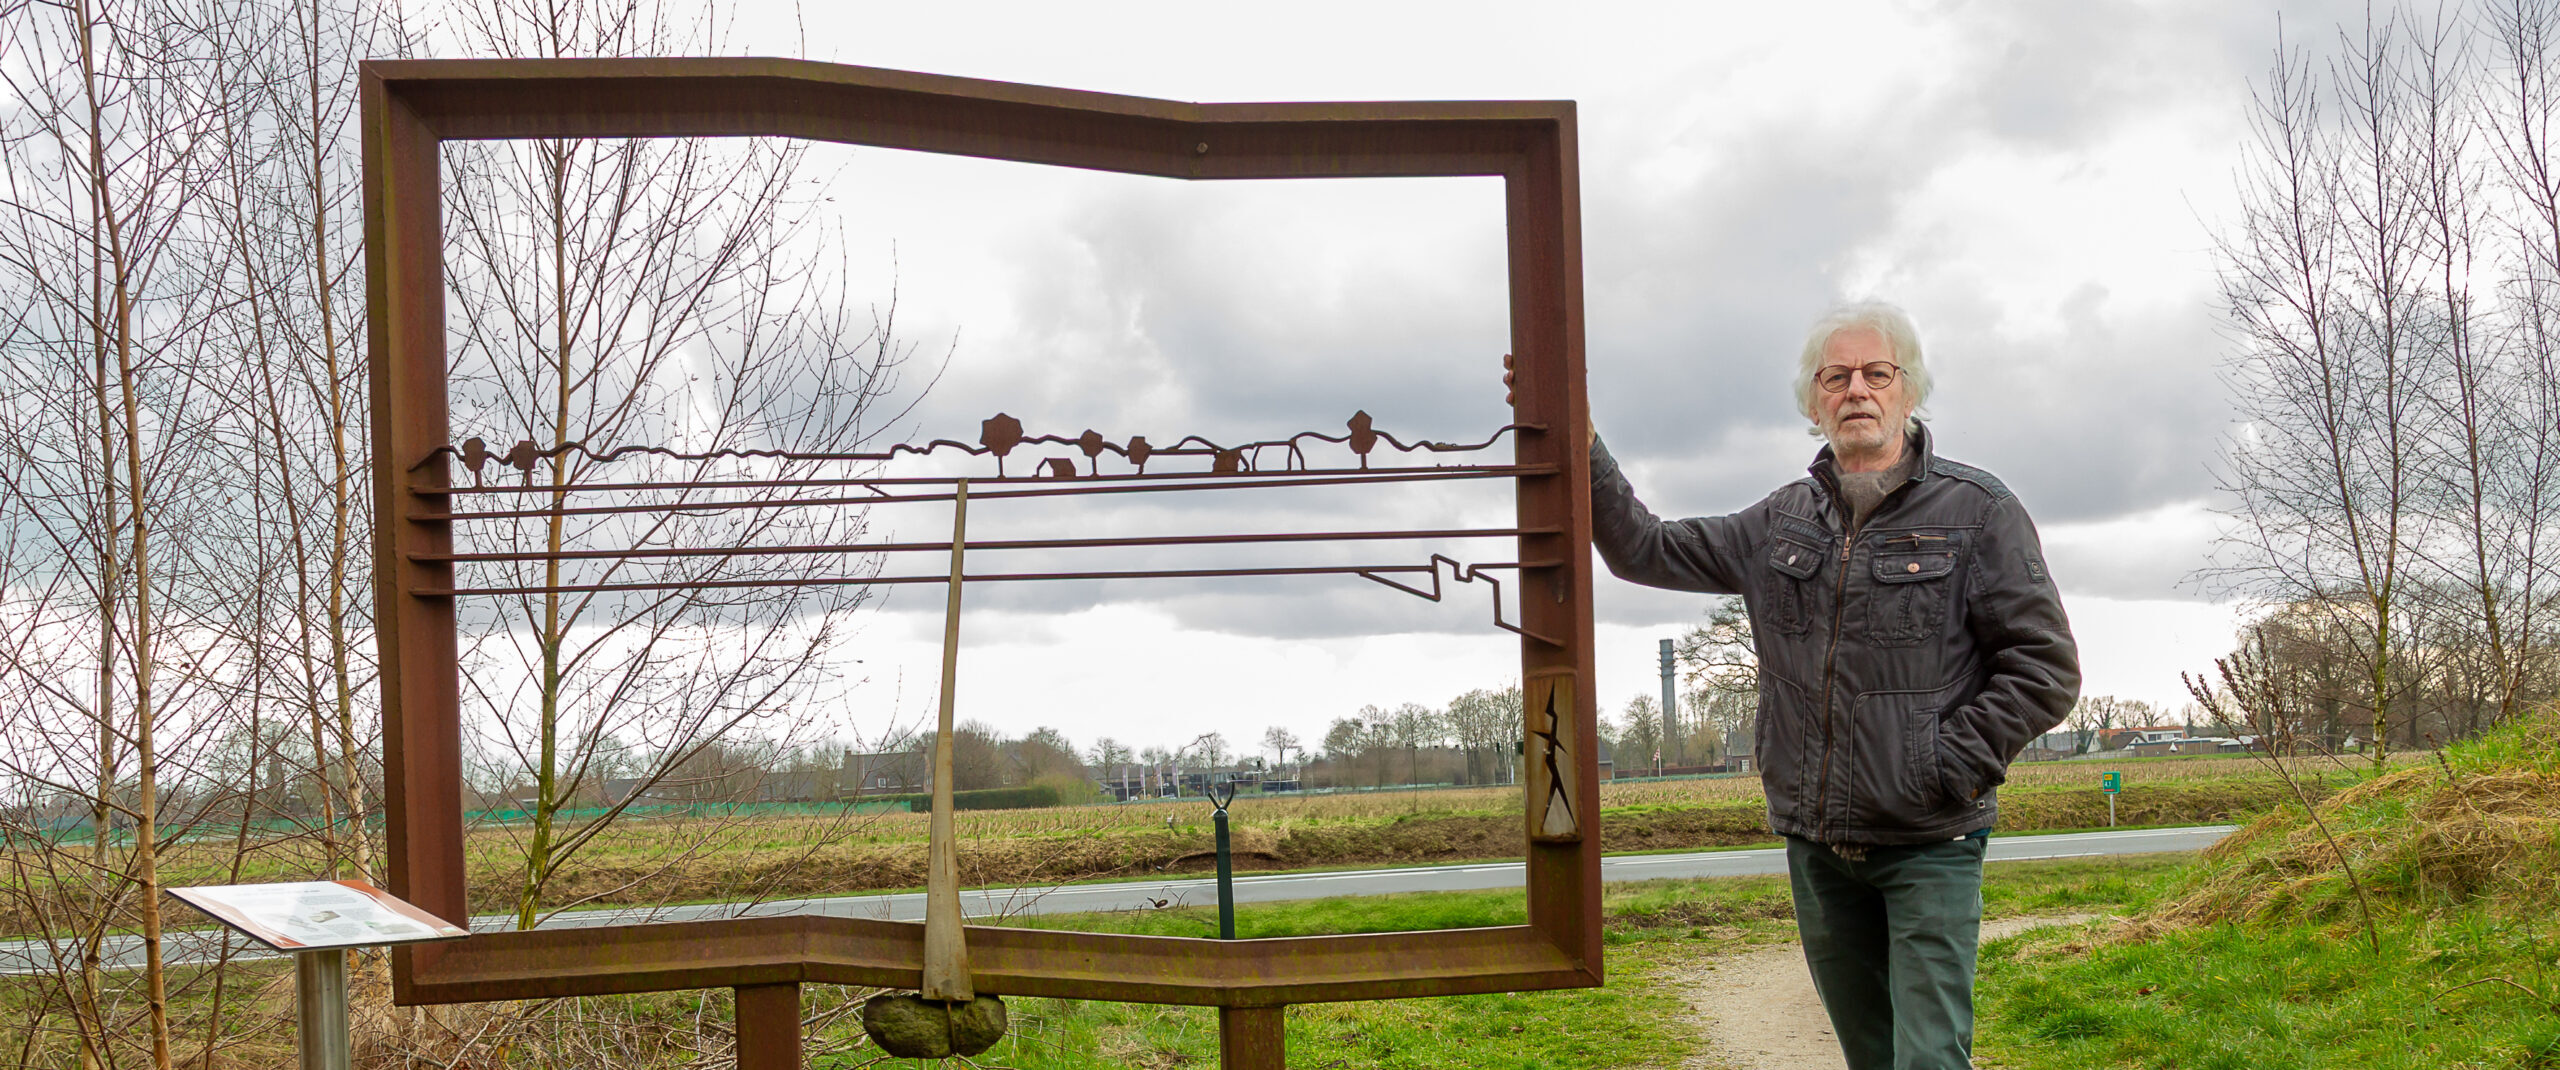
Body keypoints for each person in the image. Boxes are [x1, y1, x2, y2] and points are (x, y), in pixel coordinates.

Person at [1564, 301, 2079, 1069]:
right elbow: (1643, 548)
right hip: (1819, 849)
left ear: (1910, 391)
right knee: (1872, 1057)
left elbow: (2046, 669)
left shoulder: (1979, 514)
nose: (1856, 390)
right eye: (1835, 377)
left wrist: (1946, 766)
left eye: (1877, 373)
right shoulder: (1779, 523)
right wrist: (1582, 439)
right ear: (1813, 403)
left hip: (1930, 841)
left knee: (1929, 1059)